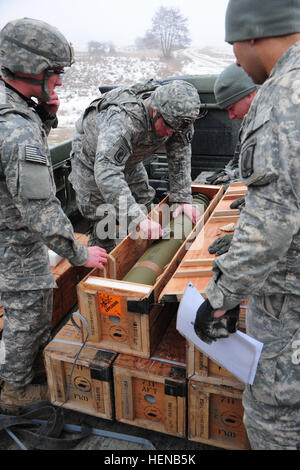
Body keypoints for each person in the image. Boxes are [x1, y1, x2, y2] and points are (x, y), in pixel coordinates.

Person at [194, 0, 300, 450]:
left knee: (273, 415)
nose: (236, 58)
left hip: (288, 298)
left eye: (234, 44)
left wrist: (220, 296)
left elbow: (274, 219)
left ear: (254, 33)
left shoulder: (283, 95)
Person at [0, 18, 108, 414]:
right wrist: (78, 254)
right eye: (55, 72)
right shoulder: (13, 129)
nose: (60, 81)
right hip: (12, 238)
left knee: (27, 306)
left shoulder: (12, 108)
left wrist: (45, 114)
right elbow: (40, 207)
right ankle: (15, 390)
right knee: (29, 309)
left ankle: (23, 369)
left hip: (11, 227)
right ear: (30, 68)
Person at [69, 79, 201, 252]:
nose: (170, 133)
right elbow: (107, 170)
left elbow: (180, 158)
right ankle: (100, 264)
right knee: (104, 217)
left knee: (144, 200)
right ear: (155, 111)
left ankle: (139, 253)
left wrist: (181, 199)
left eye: (176, 129)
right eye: (168, 126)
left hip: (129, 157)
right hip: (92, 160)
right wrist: (137, 219)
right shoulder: (125, 120)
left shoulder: (177, 120)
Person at [205, 63, 257, 186]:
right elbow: (238, 161)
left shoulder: (279, 117)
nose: (231, 116)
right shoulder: (248, 119)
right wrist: (229, 173)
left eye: (232, 108)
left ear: (250, 95)